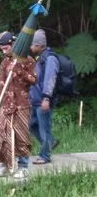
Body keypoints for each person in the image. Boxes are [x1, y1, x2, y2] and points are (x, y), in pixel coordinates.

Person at [0, 32, 37, 178]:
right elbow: (0, 85)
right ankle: (5, 165)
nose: (4, 51)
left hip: (21, 105)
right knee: (2, 136)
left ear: (13, 45)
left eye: (6, 48)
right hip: (5, 105)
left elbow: (34, 79)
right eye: (2, 49)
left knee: (21, 136)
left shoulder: (28, 60)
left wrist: (20, 71)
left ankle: (23, 167)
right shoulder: (5, 62)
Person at [29, 29, 59, 164]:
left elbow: (49, 79)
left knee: (44, 128)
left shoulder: (50, 58)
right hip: (35, 100)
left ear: (40, 45)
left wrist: (46, 98)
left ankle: (45, 155)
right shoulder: (39, 58)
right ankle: (51, 142)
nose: (30, 47)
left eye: (33, 45)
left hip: (43, 100)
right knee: (32, 125)